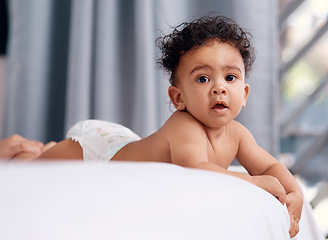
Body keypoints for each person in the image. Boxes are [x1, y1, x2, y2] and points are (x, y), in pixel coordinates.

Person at [35, 16, 303, 237]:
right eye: (202, 79)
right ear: (178, 98)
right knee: (34, 166)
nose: (219, 87)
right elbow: (197, 169)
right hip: (101, 153)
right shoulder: (185, 125)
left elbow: (269, 167)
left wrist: (293, 192)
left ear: (244, 94)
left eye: (230, 77)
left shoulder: (237, 134)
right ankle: (31, 150)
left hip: (128, 143)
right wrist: (252, 182)